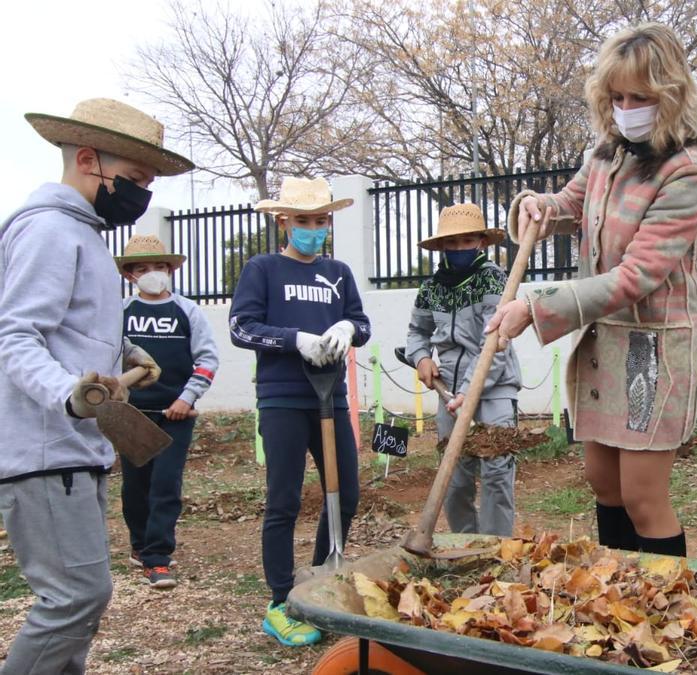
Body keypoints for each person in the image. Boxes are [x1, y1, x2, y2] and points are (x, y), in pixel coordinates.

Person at [487, 23, 697, 557]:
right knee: (602, 480)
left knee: (641, 495)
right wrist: (537, 205)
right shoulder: (607, 156)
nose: (626, 107)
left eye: (640, 97)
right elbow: (568, 204)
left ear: (670, 96)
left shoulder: (688, 173)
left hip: (651, 349)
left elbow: (637, 276)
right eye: (617, 96)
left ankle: (661, 611)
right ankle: (616, 592)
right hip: (604, 341)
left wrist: (534, 307)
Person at [0, 98, 190, 674]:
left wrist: (127, 353)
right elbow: (16, 335)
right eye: (135, 180)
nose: (142, 196)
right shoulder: (51, 231)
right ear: (88, 159)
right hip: (44, 450)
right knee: (73, 599)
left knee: (80, 603)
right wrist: (67, 392)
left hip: (74, 448)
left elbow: (69, 328)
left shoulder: (83, 235)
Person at [228, 177, 371, 647]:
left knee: (344, 494)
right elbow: (242, 328)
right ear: (283, 221)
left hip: (331, 398)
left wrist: (350, 326)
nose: (313, 229)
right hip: (283, 397)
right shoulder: (263, 269)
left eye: (320, 220)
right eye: (303, 221)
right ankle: (279, 601)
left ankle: (318, 583)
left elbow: (363, 324)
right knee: (284, 500)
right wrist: (294, 340)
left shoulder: (339, 273)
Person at [405, 203, 522, 536]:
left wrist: (469, 391)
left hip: (495, 388)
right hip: (449, 391)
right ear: (442, 246)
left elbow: (496, 344)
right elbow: (417, 332)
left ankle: (495, 549)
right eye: (452, 243)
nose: (459, 249)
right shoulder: (431, 288)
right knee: (454, 478)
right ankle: (464, 546)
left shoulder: (494, 280)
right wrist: (421, 358)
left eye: (466, 241)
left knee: (497, 472)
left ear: (481, 243)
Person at [116, 234, 219, 590]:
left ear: (170, 269)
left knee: (165, 484)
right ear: (130, 275)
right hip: (130, 415)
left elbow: (207, 359)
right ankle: (140, 544)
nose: (152, 273)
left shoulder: (187, 311)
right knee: (135, 486)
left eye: (159, 266)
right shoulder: (121, 313)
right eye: (142, 268)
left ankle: (158, 558)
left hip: (175, 414)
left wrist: (187, 398)